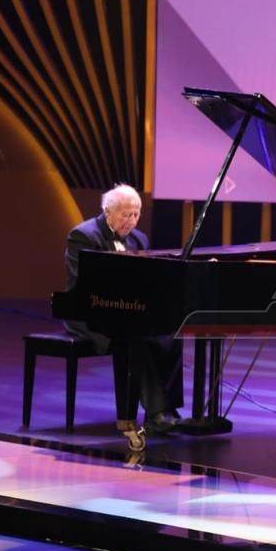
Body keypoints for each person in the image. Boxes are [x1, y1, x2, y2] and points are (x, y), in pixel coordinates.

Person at [64, 184, 184, 445]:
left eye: (136, 214)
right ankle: (157, 413)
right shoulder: (83, 236)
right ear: (107, 211)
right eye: (125, 215)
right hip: (89, 314)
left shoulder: (139, 239)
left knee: (169, 335)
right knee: (136, 339)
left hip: (127, 312)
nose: (131, 221)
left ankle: (169, 407)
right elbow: (83, 287)